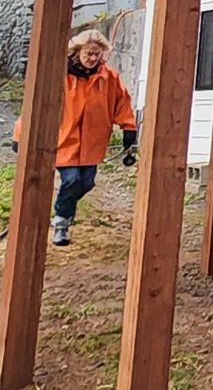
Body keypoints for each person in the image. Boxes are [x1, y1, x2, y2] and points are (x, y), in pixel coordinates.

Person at [11, 29, 139, 247]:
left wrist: (128, 128)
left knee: (86, 182)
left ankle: (63, 210)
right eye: (88, 53)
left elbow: (122, 103)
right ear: (77, 52)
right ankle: (61, 223)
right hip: (63, 141)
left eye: (96, 54)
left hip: (92, 143)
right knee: (71, 180)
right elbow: (37, 105)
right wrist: (20, 135)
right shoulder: (59, 76)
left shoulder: (109, 78)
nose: (92, 58)